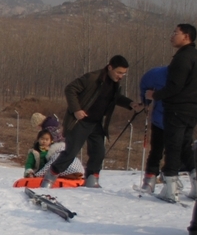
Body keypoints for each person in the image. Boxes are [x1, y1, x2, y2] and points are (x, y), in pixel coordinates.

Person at [41, 55, 144, 189]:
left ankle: (91, 180)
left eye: (124, 74)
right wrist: (76, 110)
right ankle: (50, 177)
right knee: (71, 152)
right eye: (119, 72)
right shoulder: (92, 78)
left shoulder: (114, 84)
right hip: (80, 122)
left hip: (96, 123)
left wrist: (131, 104)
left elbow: (115, 98)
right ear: (110, 67)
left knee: (98, 152)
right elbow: (70, 89)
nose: (121, 76)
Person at [145, 24, 197, 203]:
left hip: (177, 109)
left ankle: (170, 189)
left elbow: (175, 86)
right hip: (193, 110)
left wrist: (155, 95)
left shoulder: (182, 58)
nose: (172, 36)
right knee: (184, 146)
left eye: (176, 33)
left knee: (173, 147)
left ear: (187, 37)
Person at [138, 62, 197, 196]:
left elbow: (145, 84)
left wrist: (146, 101)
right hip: (183, 122)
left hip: (160, 120)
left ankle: (149, 182)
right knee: (185, 151)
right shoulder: (193, 79)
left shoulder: (157, 73)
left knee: (156, 150)